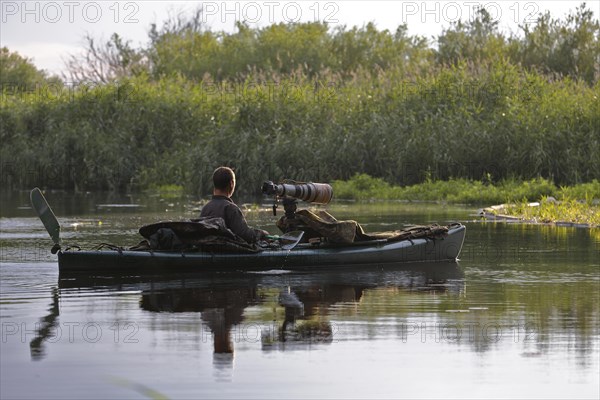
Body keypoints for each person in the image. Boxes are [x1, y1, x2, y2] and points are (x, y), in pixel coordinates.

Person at [200, 166, 269, 243]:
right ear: (231, 183)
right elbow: (244, 235)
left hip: (209, 249)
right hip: (225, 250)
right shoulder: (231, 208)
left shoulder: (205, 208)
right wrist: (262, 233)